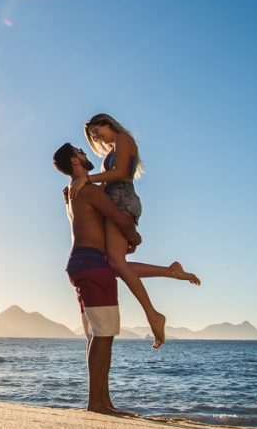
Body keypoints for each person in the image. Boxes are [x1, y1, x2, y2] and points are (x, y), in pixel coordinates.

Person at [53, 144, 198, 414]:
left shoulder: (71, 194)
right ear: (75, 160)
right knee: (103, 336)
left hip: (82, 263)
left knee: (98, 336)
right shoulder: (87, 190)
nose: (85, 153)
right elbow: (118, 216)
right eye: (81, 151)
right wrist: (134, 236)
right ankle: (97, 403)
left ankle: (102, 401)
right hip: (92, 263)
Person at [69, 114, 199, 348]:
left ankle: (153, 314)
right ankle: (171, 272)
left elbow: (120, 174)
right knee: (113, 264)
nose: (97, 136)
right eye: (93, 136)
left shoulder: (123, 138)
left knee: (116, 263)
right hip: (115, 200)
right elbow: (107, 182)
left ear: (108, 123)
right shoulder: (112, 149)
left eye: (98, 130)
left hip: (122, 200)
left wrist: (87, 179)